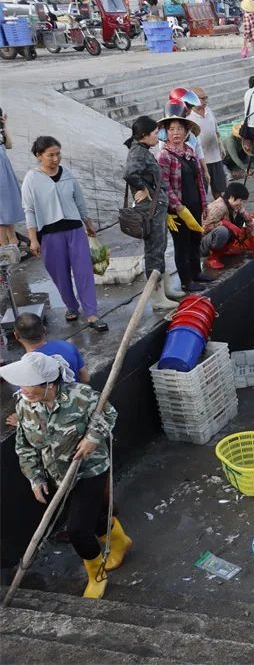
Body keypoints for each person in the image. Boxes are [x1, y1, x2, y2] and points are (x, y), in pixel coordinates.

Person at [1, 352, 125, 600]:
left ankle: (96, 575)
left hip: (89, 469)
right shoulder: (25, 406)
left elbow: (109, 414)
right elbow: (25, 446)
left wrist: (92, 438)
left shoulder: (81, 396)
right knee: (91, 516)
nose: (23, 389)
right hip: (56, 475)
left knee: (78, 529)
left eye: (29, 383)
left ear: (49, 383)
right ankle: (121, 541)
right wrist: (35, 478)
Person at [21, 136, 108, 332]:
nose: (55, 159)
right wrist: (33, 239)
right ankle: (71, 306)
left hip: (75, 230)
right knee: (60, 274)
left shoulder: (67, 174)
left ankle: (92, 314)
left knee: (83, 272)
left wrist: (87, 222)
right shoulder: (32, 179)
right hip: (50, 234)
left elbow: (79, 200)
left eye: (58, 154)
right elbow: (29, 210)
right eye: (50, 155)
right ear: (39, 156)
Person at [123, 116, 181, 310]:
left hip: (157, 209)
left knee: (160, 247)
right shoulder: (138, 152)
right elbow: (130, 173)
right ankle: (157, 297)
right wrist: (141, 187)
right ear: (143, 136)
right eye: (155, 134)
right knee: (154, 251)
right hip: (151, 210)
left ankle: (165, 290)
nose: (158, 137)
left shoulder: (143, 150)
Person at [157, 115, 210, 294]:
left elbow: (199, 180)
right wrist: (178, 207)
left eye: (179, 129)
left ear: (186, 132)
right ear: (166, 132)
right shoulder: (164, 155)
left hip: (194, 204)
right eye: (171, 129)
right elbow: (164, 185)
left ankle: (196, 272)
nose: (176, 133)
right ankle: (186, 281)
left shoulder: (189, 150)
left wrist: (204, 204)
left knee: (196, 239)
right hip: (178, 209)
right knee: (182, 244)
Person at [12, 313, 89, 383]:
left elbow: (27, 395)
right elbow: (85, 378)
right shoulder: (66, 346)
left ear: (16, 335)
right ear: (44, 330)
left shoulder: (24, 367)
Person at [201, 182, 254, 270]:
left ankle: (225, 249)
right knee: (222, 231)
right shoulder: (218, 207)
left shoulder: (237, 206)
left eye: (243, 201)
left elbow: (249, 220)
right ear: (232, 197)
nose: (242, 203)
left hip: (217, 235)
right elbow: (204, 229)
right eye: (241, 200)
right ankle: (213, 257)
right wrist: (224, 223)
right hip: (204, 242)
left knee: (240, 217)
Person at [186, 87, 226, 197]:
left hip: (215, 155)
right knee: (202, 190)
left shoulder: (209, 110)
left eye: (206, 98)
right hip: (200, 158)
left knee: (219, 188)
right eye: (202, 99)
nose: (205, 101)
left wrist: (221, 145)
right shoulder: (189, 116)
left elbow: (216, 130)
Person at [0, 108, 25, 246]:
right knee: (2, 213)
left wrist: (4, 126)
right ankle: (4, 250)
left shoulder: (0, 132)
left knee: (8, 207)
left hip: (5, 173)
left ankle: (13, 242)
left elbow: (9, 145)